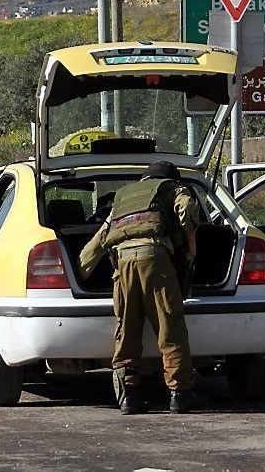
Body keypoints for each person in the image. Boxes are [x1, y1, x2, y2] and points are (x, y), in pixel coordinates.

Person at [79, 160, 201, 414]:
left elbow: (101, 237)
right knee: (170, 326)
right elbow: (187, 208)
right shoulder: (172, 188)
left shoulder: (123, 198)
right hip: (154, 259)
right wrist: (191, 247)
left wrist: (80, 271)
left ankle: (128, 397)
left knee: (126, 329)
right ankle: (180, 394)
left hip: (122, 264)